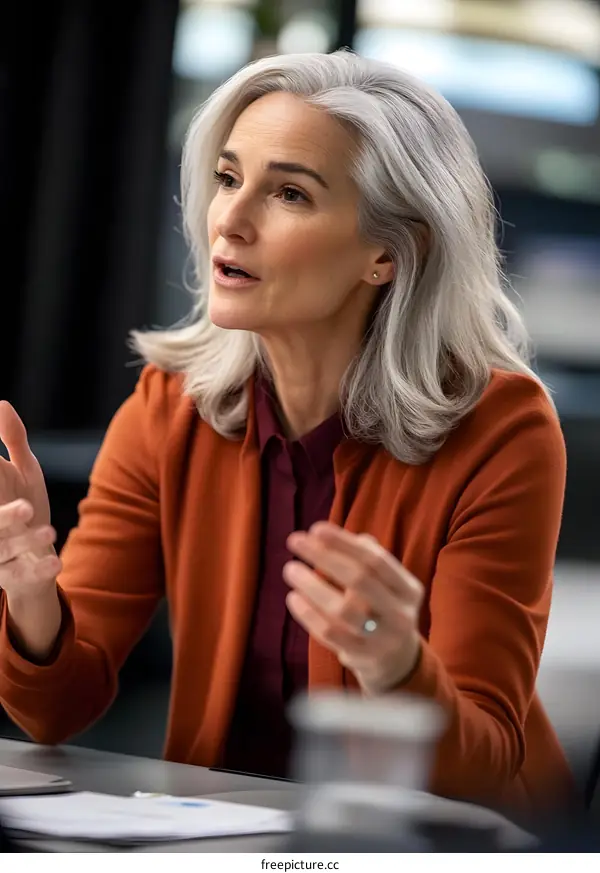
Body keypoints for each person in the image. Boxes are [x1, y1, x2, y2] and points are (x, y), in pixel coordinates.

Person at [0, 50, 573, 823]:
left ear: (390, 253)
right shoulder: (170, 405)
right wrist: (30, 594)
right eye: (228, 178)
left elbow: (485, 766)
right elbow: (54, 709)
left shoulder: (503, 430)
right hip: (221, 836)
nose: (230, 220)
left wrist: (396, 665)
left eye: (290, 193)